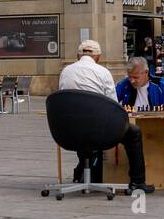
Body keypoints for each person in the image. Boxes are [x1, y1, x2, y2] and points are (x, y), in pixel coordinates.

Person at [57, 40, 153, 194]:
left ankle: (84, 172)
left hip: (67, 133)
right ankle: (137, 182)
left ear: (77, 56)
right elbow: (113, 106)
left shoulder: (65, 72)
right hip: (99, 134)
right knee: (133, 133)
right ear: (98, 57)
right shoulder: (103, 72)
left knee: (84, 132)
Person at [116, 56, 164, 150]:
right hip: (131, 124)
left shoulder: (161, 84)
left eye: (136, 77)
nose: (132, 81)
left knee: (162, 133)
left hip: (157, 123)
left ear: (146, 73)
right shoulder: (125, 84)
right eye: (130, 77)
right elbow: (112, 100)